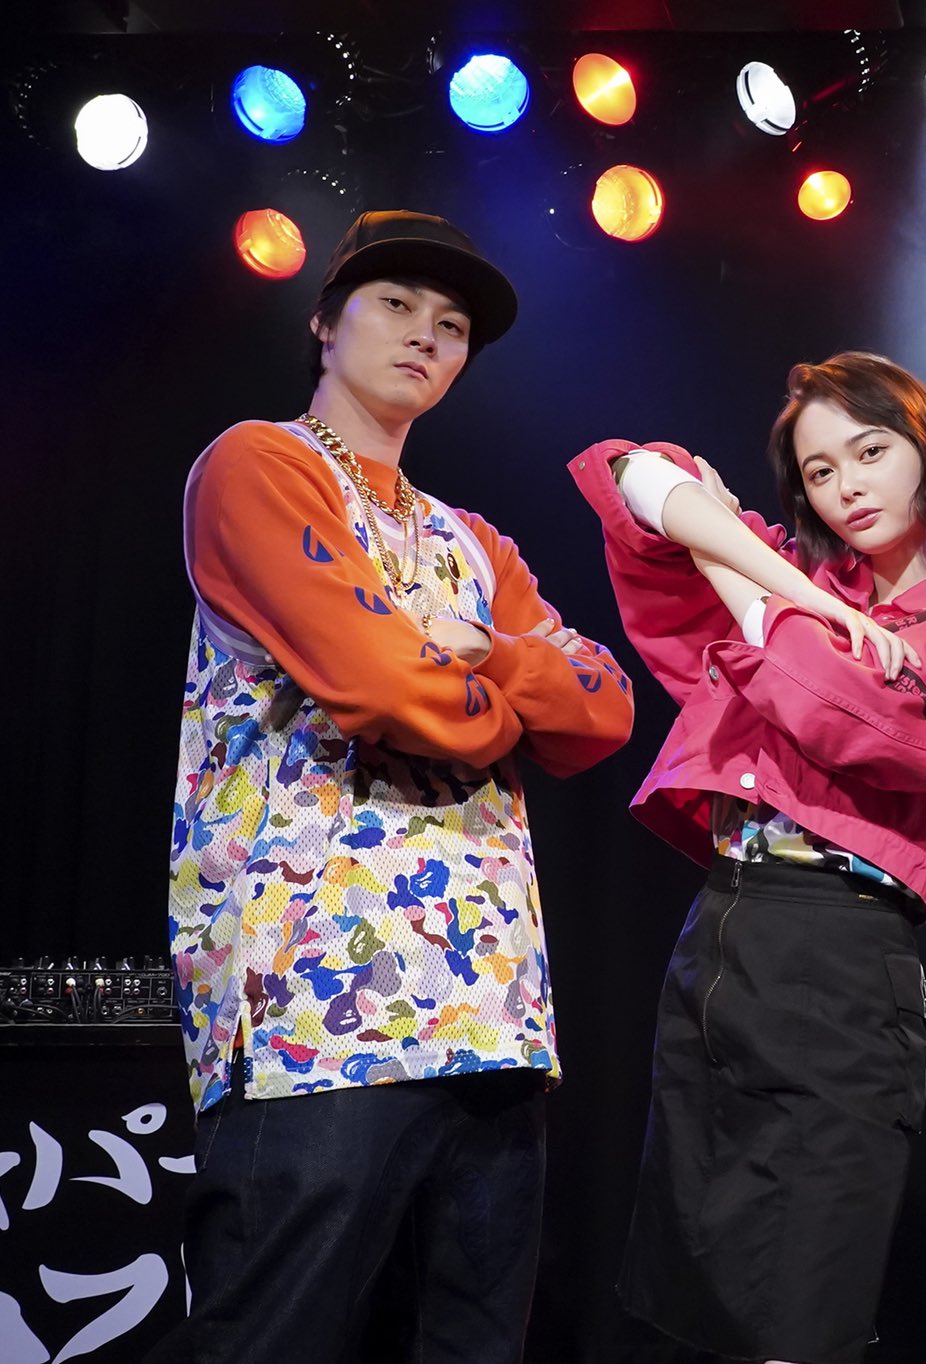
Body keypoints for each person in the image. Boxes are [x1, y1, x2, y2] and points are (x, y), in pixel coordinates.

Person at [160, 210, 635, 1363]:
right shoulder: (262, 464)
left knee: (472, 1339)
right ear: (324, 323)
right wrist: (500, 708)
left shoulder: (475, 543)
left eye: (453, 324)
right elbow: (376, 684)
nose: (427, 334)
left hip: (487, 1006)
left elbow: (605, 708)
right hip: (316, 1000)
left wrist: (491, 658)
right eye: (396, 304)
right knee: (272, 1334)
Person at [568, 353, 926, 1364]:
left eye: (870, 452)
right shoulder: (806, 586)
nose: (847, 486)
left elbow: (849, 716)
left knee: (803, 1308)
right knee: (689, 1299)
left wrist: (737, 574)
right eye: (819, 472)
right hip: (720, 928)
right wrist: (784, 582)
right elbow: (629, 472)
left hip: (839, 949)